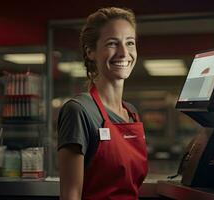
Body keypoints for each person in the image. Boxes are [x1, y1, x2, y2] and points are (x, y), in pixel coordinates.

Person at [57, 7, 148, 200]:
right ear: (91, 52)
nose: (124, 53)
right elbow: (70, 195)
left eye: (130, 43)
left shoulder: (131, 113)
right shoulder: (79, 111)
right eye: (112, 43)